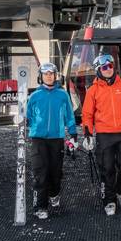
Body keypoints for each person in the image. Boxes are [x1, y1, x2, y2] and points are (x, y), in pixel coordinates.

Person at [81, 53, 121, 216]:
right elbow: (87, 114)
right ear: (98, 70)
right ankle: (109, 199)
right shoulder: (93, 90)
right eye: (104, 67)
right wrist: (88, 134)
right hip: (104, 135)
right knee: (107, 168)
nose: (108, 69)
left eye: (111, 66)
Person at [25, 62, 78, 219]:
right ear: (40, 76)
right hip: (38, 138)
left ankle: (54, 193)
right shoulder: (34, 96)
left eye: (51, 73)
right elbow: (28, 115)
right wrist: (25, 121)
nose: (49, 76)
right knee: (40, 172)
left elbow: (69, 115)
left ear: (55, 76)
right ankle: (40, 206)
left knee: (55, 172)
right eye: (45, 74)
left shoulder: (62, 95)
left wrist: (73, 133)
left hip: (56, 138)